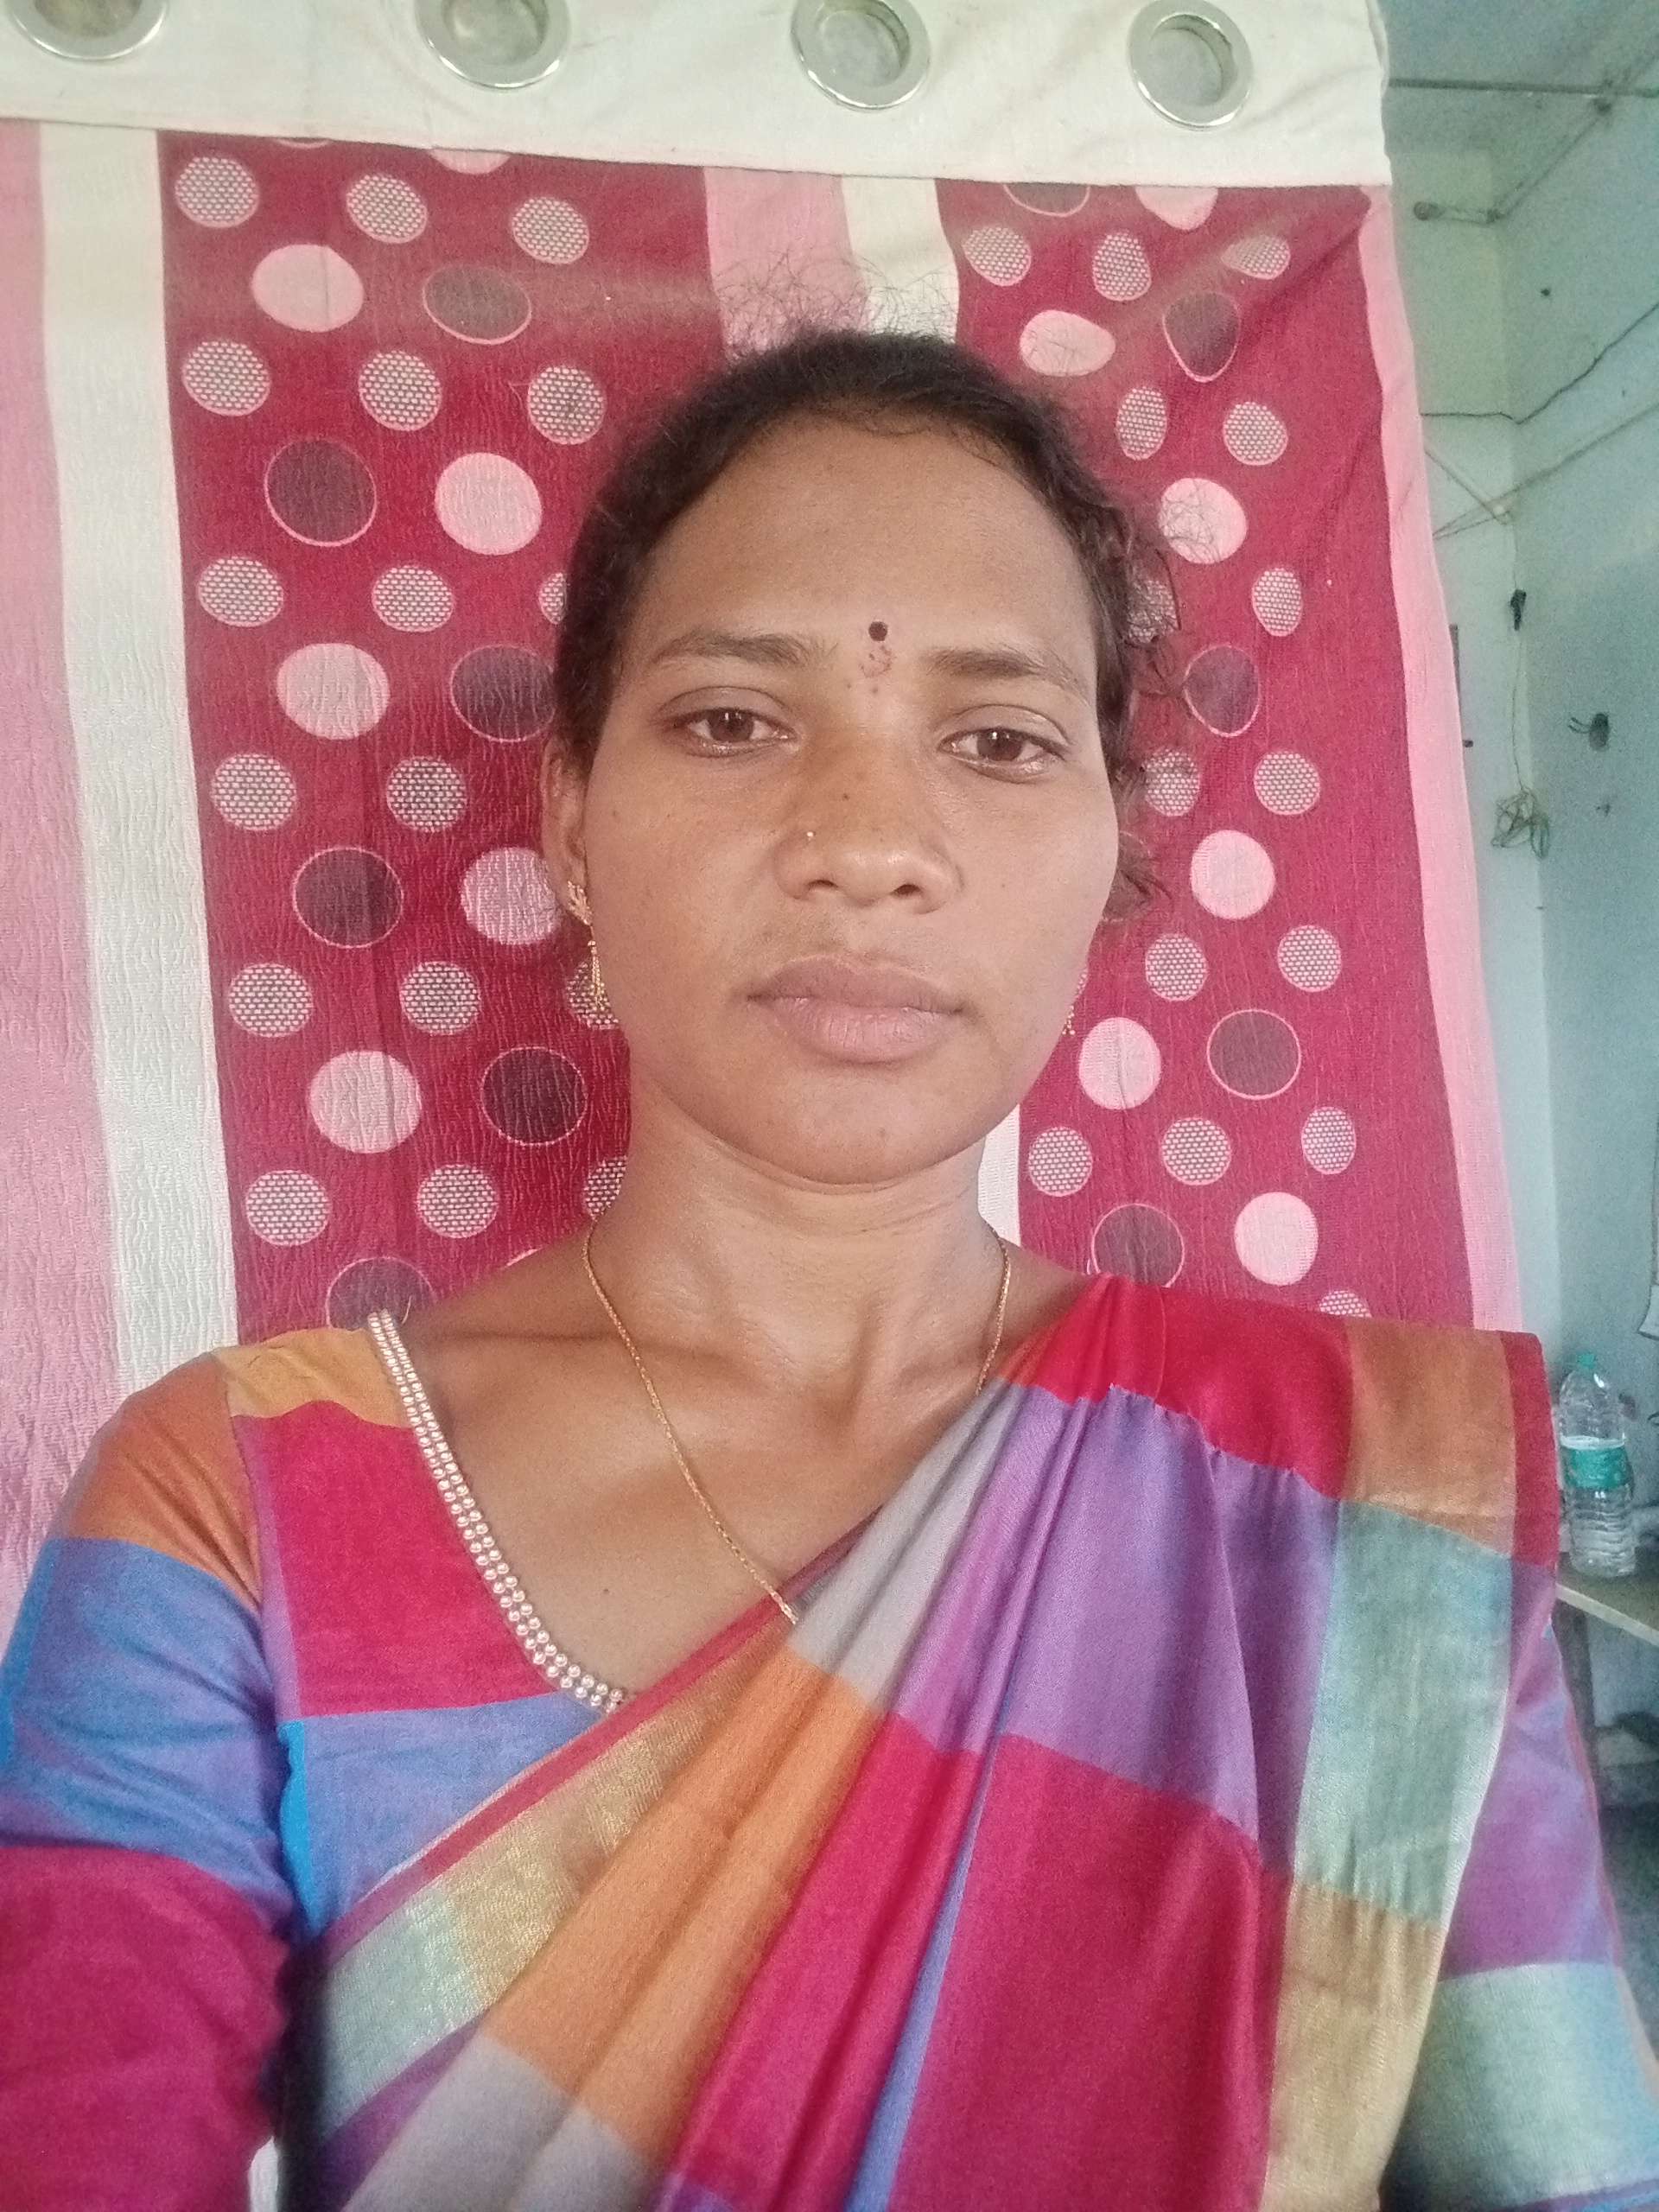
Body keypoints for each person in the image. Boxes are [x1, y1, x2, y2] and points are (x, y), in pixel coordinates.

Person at [1, 327, 1655, 2212]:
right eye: (732, 719)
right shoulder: (231, 1506)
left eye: (1000, 738)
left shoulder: (1346, 1498)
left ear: (1111, 852)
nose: (869, 846)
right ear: (570, 824)